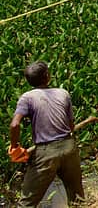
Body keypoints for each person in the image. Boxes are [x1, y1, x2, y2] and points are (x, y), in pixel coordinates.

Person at [8, 61, 85, 207]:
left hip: (46, 152)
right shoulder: (63, 93)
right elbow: (71, 126)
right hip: (69, 146)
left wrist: (14, 147)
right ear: (47, 77)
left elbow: (14, 124)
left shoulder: (27, 98)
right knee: (78, 200)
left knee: (27, 203)